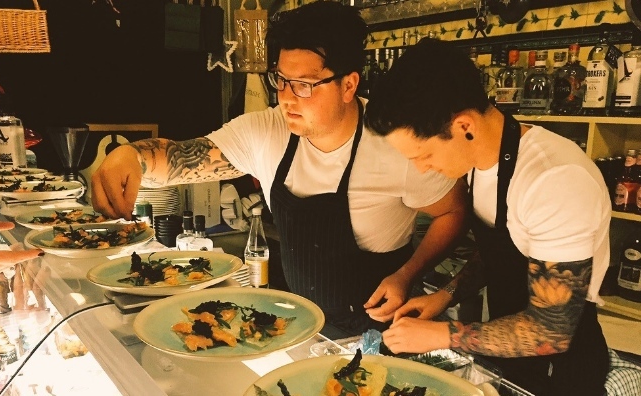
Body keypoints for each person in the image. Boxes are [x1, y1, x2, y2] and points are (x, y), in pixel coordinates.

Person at [90, 1, 466, 336]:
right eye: (281, 80)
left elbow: (451, 211)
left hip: (382, 330)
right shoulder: (266, 132)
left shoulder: (396, 143)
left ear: (349, 84)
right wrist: (131, 156)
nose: (286, 98)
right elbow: (182, 158)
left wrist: (407, 274)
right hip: (302, 323)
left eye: (304, 84)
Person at [365, 39, 610, 396]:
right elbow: (507, 250)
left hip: (563, 374)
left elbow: (552, 332)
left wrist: (444, 334)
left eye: (424, 154)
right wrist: (447, 295)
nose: (420, 168)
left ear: (465, 126)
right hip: (508, 359)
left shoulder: (553, 180)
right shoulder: (482, 163)